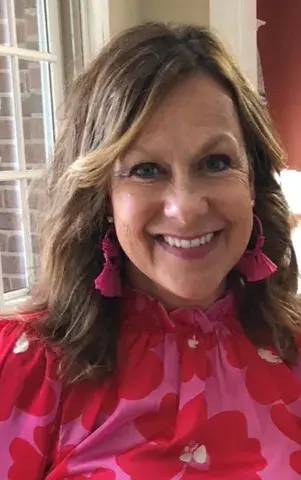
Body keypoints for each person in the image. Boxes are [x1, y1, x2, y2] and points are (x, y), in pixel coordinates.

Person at [0, 21, 300, 480]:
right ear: (102, 197)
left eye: (215, 163)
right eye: (145, 170)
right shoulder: (23, 367)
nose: (185, 209)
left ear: (255, 182)